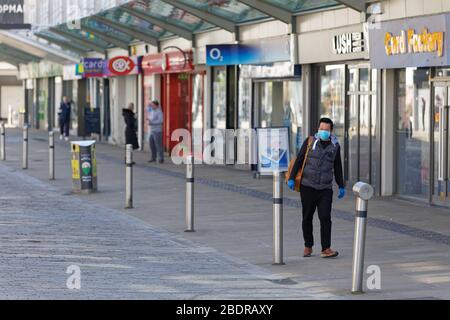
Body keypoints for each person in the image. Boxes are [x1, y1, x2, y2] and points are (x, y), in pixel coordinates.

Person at [287, 117, 345, 259]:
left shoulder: (335, 146)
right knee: (307, 217)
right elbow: (300, 159)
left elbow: (337, 166)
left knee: (325, 217)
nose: (323, 131)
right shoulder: (310, 142)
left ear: (331, 131)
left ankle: (326, 248)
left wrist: (341, 185)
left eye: (326, 129)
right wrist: (291, 178)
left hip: (325, 188)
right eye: (321, 129)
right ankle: (308, 245)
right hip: (308, 186)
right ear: (318, 129)